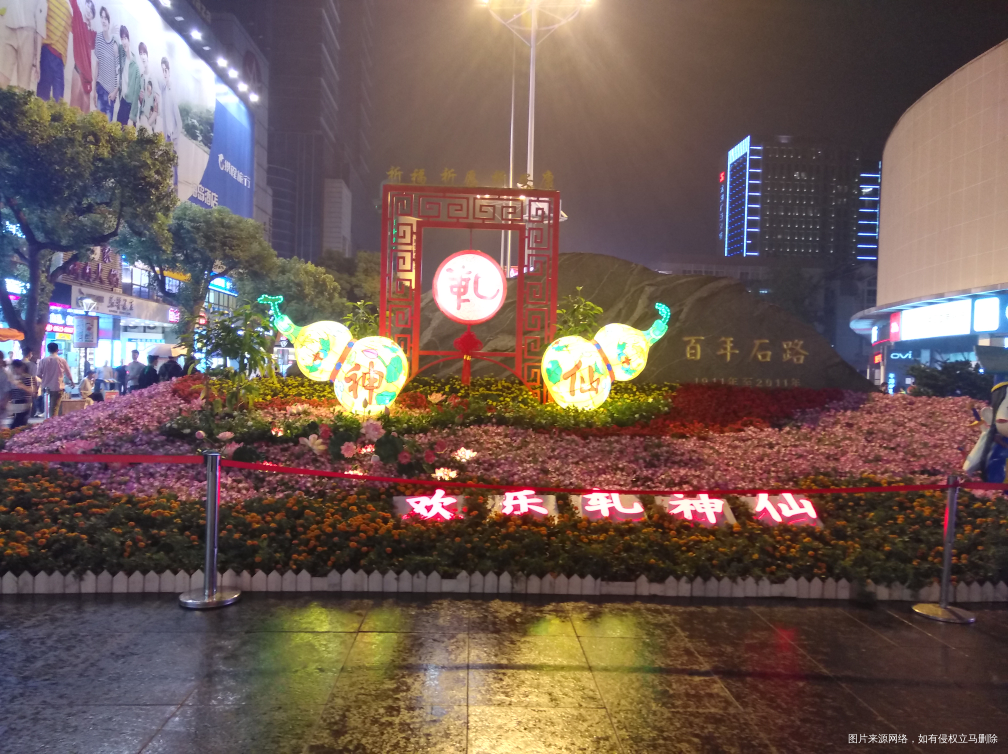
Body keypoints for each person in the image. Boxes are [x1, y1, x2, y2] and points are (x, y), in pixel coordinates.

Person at [0, 0, 46, 90]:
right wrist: (37, 61)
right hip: (27, 33)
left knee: (3, 75)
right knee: (23, 84)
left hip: (9, 26)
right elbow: (39, 26)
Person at [36, 0, 72, 102]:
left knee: (59, 101)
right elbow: (40, 26)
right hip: (47, 52)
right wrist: (37, 60)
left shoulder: (69, 7)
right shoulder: (49, 1)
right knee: (42, 97)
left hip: (59, 60)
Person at [91, 5, 120, 121]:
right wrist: (93, 91)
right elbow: (97, 64)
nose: (103, 20)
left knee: (107, 129)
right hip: (100, 88)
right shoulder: (98, 38)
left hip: (111, 94)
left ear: (109, 21)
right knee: (97, 126)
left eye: (106, 18)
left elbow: (119, 72)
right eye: (102, 17)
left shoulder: (115, 43)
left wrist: (115, 92)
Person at [158, 56, 182, 187]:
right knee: (167, 164)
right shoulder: (164, 90)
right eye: (163, 70)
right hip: (167, 134)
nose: (164, 73)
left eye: (166, 70)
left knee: (173, 163)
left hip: (172, 135)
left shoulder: (172, 92)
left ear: (169, 71)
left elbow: (179, 121)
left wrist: (175, 136)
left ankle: (175, 187)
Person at [69, 0, 97, 111]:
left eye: (92, 9)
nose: (89, 11)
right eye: (88, 7)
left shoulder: (92, 34)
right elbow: (74, 3)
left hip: (88, 77)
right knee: (74, 109)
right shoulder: (78, 20)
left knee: (85, 112)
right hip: (78, 71)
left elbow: (97, 45)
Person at [36, 342, 75, 419]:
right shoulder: (62, 360)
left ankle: (48, 423)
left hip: (46, 388)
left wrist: (39, 385)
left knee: (47, 407)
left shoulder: (43, 361)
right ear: (57, 350)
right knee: (54, 408)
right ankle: (52, 425)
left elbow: (38, 375)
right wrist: (72, 382)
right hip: (57, 387)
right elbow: (68, 373)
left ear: (48, 350)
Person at [115, 25, 140, 126]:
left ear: (129, 40)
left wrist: (132, 116)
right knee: (117, 129)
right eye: (122, 38)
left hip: (129, 104)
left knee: (124, 133)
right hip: (123, 99)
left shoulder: (135, 67)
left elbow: (136, 93)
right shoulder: (122, 54)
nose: (123, 41)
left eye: (125, 38)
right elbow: (115, 44)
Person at [7, 359, 34, 428]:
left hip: (24, 404)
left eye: (13, 368)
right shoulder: (12, 378)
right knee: (19, 426)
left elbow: (30, 391)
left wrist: (22, 386)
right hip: (15, 404)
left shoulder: (26, 377)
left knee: (16, 425)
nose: (13, 370)